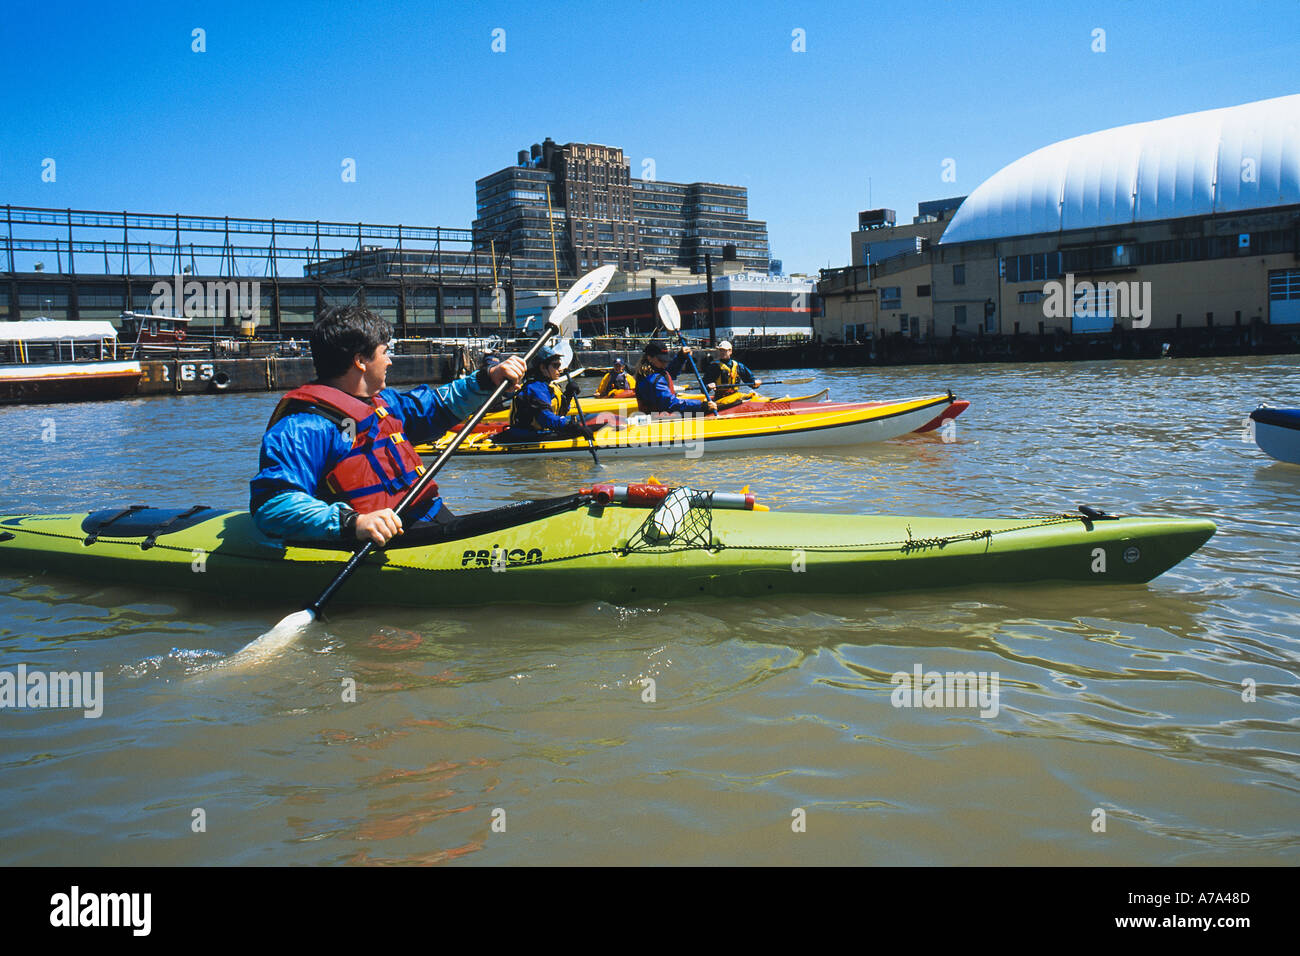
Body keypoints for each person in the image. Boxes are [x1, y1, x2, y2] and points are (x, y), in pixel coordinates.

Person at [250, 306, 525, 547]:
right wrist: (353, 522)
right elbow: (273, 505)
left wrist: (488, 379)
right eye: (385, 352)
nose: (390, 360)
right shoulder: (303, 428)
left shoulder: (385, 403)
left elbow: (435, 406)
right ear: (360, 361)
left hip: (429, 520)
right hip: (381, 540)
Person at [503, 342, 598, 440]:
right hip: (526, 435)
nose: (559, 369)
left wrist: (568, 395)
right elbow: (546, 419)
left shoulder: (550, 385)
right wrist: (572, 426)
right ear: (543, 367)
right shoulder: (535, 388)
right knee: (582, 426)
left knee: (597, 417)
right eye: (555, 365)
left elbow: (560, 413)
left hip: (543, 429)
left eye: (559, 365)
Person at [634, 340, 717, 415]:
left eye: (665, 360)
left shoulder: (653, 372)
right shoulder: (652, 380)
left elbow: (669, 373)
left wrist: (681, 357)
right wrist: (701, 405)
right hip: (658, 420)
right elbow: (671, 403)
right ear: (649, 358)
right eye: (661, 360)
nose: (665, 363)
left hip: (661, 416)